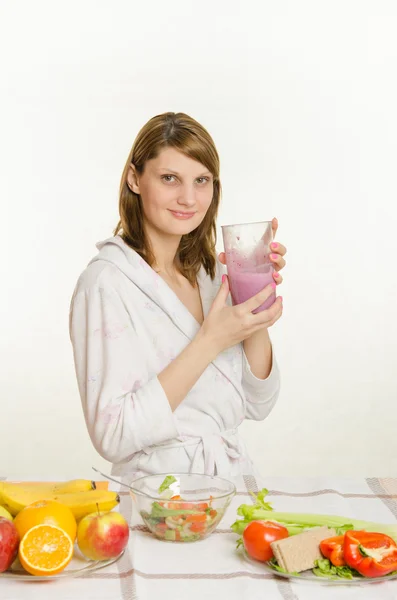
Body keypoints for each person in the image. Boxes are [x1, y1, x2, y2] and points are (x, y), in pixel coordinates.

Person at [69, 112, 287, 480]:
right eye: (170, 178)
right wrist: (211, 339)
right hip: (156, 500)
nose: (189, 198)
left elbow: (258, 403)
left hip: (228, 490)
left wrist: (254, 301)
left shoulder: (209, 275)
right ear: (135, 179)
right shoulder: (107, 282)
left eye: (201, 180)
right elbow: (113, 434)